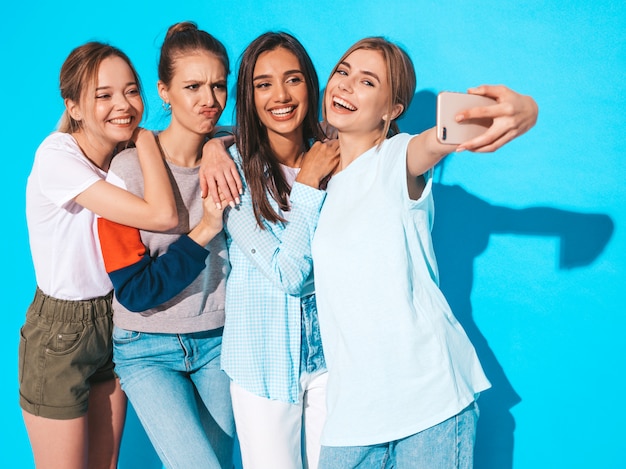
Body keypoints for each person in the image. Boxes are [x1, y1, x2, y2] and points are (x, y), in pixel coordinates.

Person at [310, 37, 539, 468]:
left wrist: (524, 109)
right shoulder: (319, 177)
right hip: (352, 412)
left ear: (392, 110)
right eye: (342, 72)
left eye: (366, 81)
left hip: (427, 401)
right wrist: (213, 146)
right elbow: (255, 130)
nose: (345, 86)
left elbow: (450, 135)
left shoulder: (398, 158)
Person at [20, 42, 177, 469]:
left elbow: (207, 132)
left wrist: (217, 147)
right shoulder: (56, 157)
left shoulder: (121, 158)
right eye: (103, 95)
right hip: (60, 335)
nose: (122, 105)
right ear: (74, 107)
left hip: (114, 321)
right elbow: (163, 215)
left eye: (130, 91)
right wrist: (147, 139)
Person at [96, 22, 235, 469]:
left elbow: (280, 128)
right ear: (164, 91)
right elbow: (134, 292)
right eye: (192, 86)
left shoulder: (231, 152)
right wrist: (205, 229)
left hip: (217, 339)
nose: (208, 100)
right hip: (145, 345)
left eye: (218, 85)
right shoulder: (128, 172)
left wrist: (218, 145)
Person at [202, 32, 339, 469]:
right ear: (249, 93)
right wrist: (309, 185)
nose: (280, 95)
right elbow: (288, 274)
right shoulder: (235, 171)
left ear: (310, 85)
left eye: (293, 79)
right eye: (263, 84)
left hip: (334, 354)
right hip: (263, 359)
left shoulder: (337, 155)